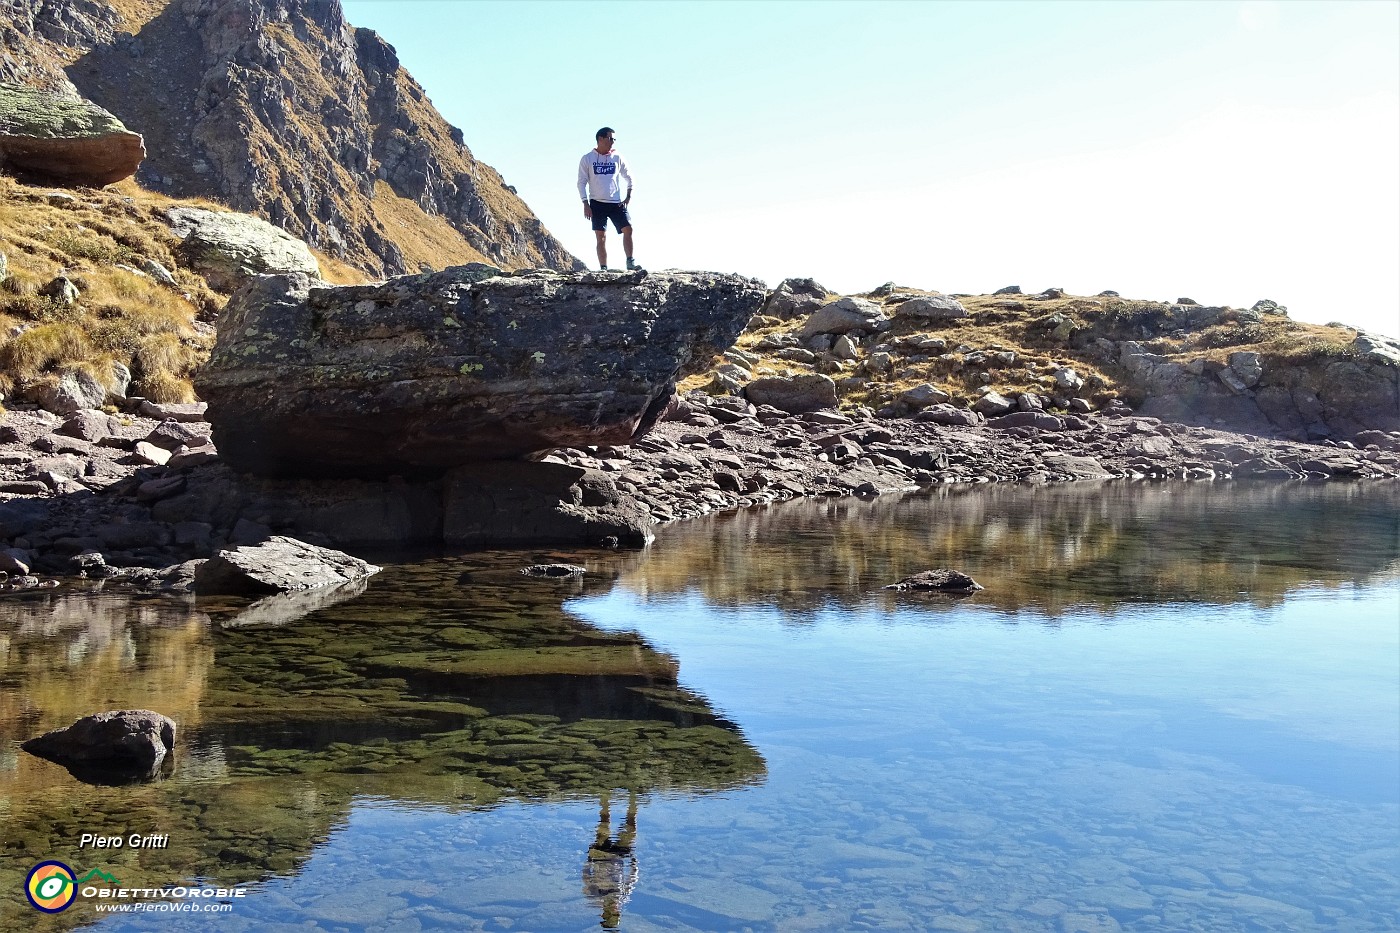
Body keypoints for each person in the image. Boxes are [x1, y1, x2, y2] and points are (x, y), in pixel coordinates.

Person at [577, 127, 640, 271]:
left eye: (614, 139)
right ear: (600, 139)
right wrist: (585, 203)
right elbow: (581, 182)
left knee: (628, 229)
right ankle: (603, 268)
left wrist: (628, 196)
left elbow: (629, 177)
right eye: (610, 138)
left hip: (615, 203)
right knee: (601, 236)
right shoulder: (587, 158)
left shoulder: (617, 157)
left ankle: (630, 262)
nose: (613, 142)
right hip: (597, 203)